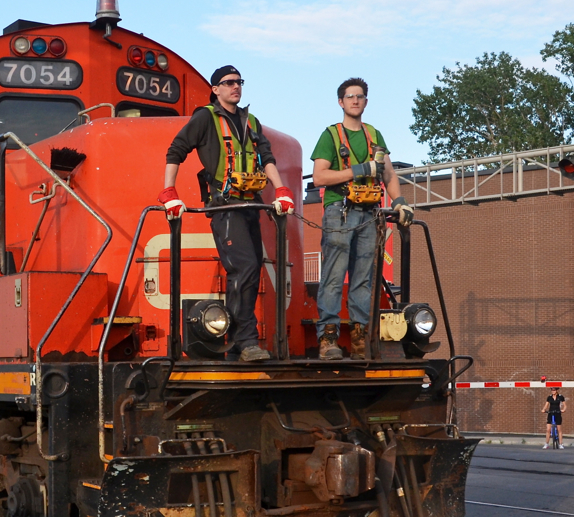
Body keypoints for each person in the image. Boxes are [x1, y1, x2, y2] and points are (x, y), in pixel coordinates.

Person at [160, 65, 296, 362]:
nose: (236, 87)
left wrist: (282, 189)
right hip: (225, 208)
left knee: (252, 268)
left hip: (250, 207)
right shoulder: (205, 118)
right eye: (229, 82)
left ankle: (241, 340)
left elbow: (267, 158)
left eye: (239, 82)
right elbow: (176, 151)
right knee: (244, 268)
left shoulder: (251, 122)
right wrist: (169, 193)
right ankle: (242, 341)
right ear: (215, 89)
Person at [310, 78, 414, 359]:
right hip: (339, 211)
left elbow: (389, 174)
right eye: (350, 96)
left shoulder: (374, 136)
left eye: (360, 96)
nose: (355, 100)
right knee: (333, 277)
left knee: (363, 279)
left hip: (369, 214)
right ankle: (328, 339)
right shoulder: (330, 136)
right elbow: (320, 176)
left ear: (366, 102)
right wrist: (358, 170)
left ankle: (359, 341)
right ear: (341, 102)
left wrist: (400, 201)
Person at [541, 383, 565, 448]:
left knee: (559, 429)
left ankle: (560, 444)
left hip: (557, 413)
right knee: (548, 429)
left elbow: (565, 405)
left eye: (554, 390)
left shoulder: (560, 397)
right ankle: (547, 444)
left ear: (556, 390)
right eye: (552, 390)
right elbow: (546, 405)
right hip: (550, 413)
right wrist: (543, 409)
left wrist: (563, 410)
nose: (553, 391)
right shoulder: (549, 397)